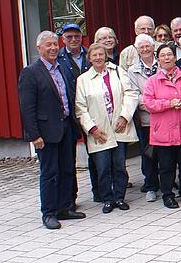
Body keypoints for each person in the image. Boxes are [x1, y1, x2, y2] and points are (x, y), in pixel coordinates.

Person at [19, 31, 86, 229]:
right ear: (38, 48)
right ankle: (48, 213)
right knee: (49, 173)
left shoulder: (62, 69)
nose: (53, 48)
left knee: (67, 169)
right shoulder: (31, 72)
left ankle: (64, 208)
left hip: (66, 127)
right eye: (48, 45)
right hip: (46, 132)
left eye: (55, 44)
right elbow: (27, 107)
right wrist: (34, 135)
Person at [75, 43, 138, 214]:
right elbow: (80, 108)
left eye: (101, 54)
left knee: (119, 166)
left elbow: (131, 94)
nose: (98, 58)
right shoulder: (83, 80)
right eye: (94, 55)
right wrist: (92, 129)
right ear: (89, 59)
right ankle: (107, 199)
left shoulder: (117, 72)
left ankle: (119, 197)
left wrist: (125, 116)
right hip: (99, 131)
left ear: (105, 56)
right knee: (102, 167)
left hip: (118, 126)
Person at [143, 43, 181, 209]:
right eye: (163, 55)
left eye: (170, 54)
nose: (167, 58)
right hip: (163, 131)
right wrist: (169, 103)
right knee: (166, 166)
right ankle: (168, 195)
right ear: (158, 59)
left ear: (175, 57)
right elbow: (148, 103)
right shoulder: (152, 81)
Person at [56, 23, 94, 204]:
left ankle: (101, 192)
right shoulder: (59, 57)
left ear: (81, 37)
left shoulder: (90, 55)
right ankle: (71, 198)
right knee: (68, 159)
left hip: (92, 112)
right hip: (71, 114)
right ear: (63, 39)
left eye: (76, 36)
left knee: (96, 153)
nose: (73, 40)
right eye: (69, 37)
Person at [126, 34, 160, 202]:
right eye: (141, 47)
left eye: (148, 46)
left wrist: (161, 106)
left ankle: (167, 182)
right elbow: (134, 94)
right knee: (148, 153)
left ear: (153, 47)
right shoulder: (132, 70)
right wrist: (152, 105)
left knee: (166, 153)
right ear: (137, 50)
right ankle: (151, 186)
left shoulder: (162, 64)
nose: (145, 49)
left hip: (165, 118)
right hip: (146, 119)